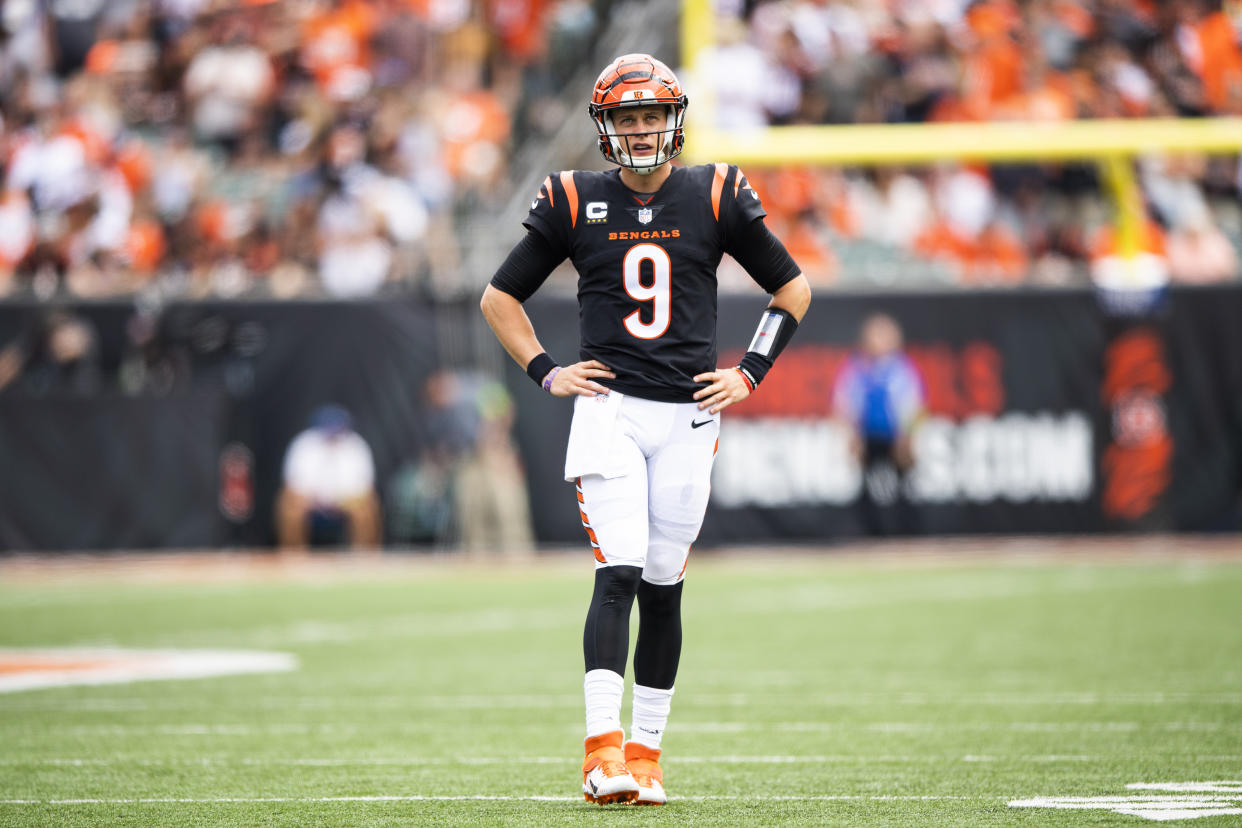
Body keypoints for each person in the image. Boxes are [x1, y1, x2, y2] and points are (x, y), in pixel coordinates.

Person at [479, 54, 812, 806]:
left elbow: (793, 288)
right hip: (612, 410)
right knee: (619, 571)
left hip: (692, 413)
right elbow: (499, 299)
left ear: (674, 119)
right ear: (604, 126)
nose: (639, 128)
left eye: (650, 114)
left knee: (665, 587)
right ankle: (601, 755)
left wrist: (751, 370)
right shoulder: (573, 198)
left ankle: (646, 755)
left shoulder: (716, 190)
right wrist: (545, 370)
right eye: (625, 117)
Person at [831, 312, 926, 536]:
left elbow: (914, 405)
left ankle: (909, 535)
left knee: (905, 489)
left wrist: (908, 437)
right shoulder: (856, 368)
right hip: (867, 437)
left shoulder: (903, 369)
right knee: (866, 489)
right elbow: (844, 403)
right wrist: (852, 437)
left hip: (896, 437)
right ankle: (870, 536)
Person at [275, 404, 381, 551]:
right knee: (289, 504)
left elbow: (364, 485)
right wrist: (315, 500)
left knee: (367, 506)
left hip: (346, 500)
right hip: (310, 500)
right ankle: (294, 556)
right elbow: (293, 483)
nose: (333, 433)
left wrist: (341, 500)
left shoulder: (356, 445)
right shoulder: (304, 444)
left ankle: (363, 556)